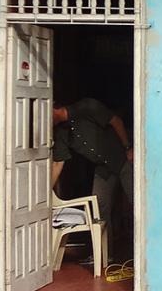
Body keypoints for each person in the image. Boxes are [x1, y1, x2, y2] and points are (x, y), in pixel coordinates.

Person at [51, 98, 134, 243]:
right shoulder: (61, 133)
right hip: (103, 167)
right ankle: (105, 256)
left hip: (122, 157)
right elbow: (58, 163)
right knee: (99, 207)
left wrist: (128, 147)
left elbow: (116, 121)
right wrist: (46, 193)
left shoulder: (87, 107)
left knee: (136, 200)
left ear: (53, 108)